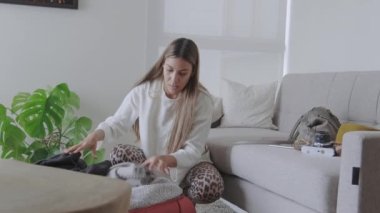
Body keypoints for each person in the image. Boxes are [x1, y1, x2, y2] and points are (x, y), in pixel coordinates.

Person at [65, 37, 224, 204]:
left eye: (182, 73)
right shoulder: (144, 91)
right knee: (119, 153)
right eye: (170, 70)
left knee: (211, 185)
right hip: (152, 163)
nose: (174, 79)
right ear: (162, 65)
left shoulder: (202, 101)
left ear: (192, 72)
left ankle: (182, 203)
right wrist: (96, 135)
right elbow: (118, 121)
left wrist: (167, 159)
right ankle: (156, 195)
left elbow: (192, 150)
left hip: (189, 166)